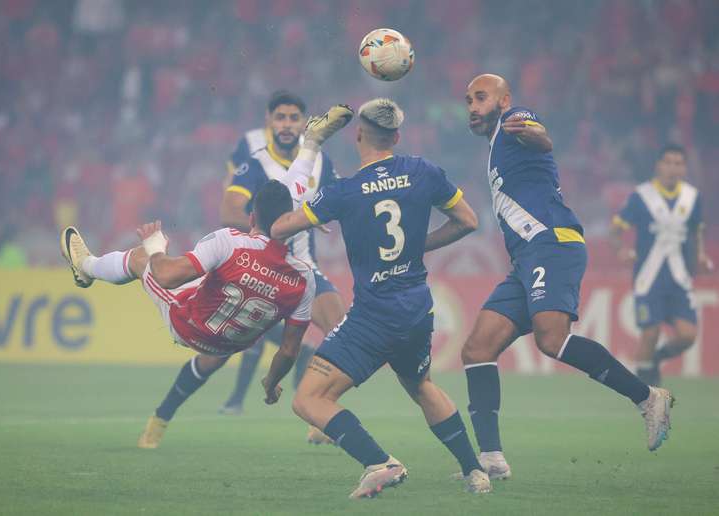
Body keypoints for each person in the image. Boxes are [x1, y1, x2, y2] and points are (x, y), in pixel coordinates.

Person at [460, 73, 675, 482]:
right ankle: (491, 459)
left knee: (551, 339)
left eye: (481, 98)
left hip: (552, 243)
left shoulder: (514, 121)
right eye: (468, 100)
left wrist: (530, 129)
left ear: (504, 100)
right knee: (477, 348)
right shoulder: (493, 147)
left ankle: (648, 398)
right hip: (526, 258)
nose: (472, 106)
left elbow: (541, 138)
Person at [272, 99, 491, 498]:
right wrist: (419, 246)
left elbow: (280, 226)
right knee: (420, 384)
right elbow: (468, 221)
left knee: (308, 399)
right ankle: (475, 472)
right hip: (417, 306)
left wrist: (311, 146)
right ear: (397, 137)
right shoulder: (423, 171)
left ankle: (380, 462)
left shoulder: (345, 191)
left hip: (374, 315)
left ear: (357, 135)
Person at [59, 180, 316, 443]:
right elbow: (288, 350)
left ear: (251, 217)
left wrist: (155, 246)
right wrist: (271, 383)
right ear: (289, 221)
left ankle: (86, 266)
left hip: (187, 325)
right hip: (230, 344)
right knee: (225, 300)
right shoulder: (304, 277)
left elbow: (168, 277)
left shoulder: (230, 241)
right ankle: (161, 420)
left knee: (140, 258)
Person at [218, 91, 346, 437]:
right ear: (269, 122)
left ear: (303, 123)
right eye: (281, 118)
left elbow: (336, 200)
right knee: (213, 351)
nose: (287, 125)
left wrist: (322, 213)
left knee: (341, 331)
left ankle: (321, 407)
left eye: (293, 118)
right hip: (262, 266)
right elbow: (229, 210)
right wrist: (273, 225)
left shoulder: (322, 162)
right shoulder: (256, 164)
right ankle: (163, 416)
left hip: (303, 267)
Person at [611, 144, 713, 386]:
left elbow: (696, 231)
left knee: (688, 336)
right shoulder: (641, 196)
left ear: (684, 168)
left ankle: (657, 358)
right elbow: (615, 230)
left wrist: (699, 255)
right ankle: (644, 390)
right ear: (658, 165)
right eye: (668, 162)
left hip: (679, 278)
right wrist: (621, 250)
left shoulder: (692, 197)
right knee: (650, 332)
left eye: (678, 163)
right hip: (649, 277)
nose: (673, 168)